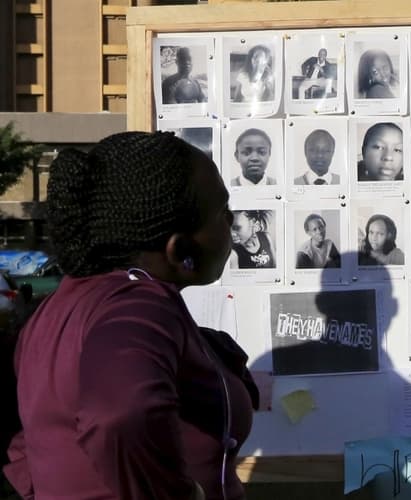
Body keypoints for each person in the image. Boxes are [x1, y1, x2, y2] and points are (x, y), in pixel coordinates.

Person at [4, 131, 257, 499]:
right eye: (222, 212)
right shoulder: (139, 307)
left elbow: (29, 444)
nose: (232, 222)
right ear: (179, 250)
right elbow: (119, 414)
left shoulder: (60, 307)